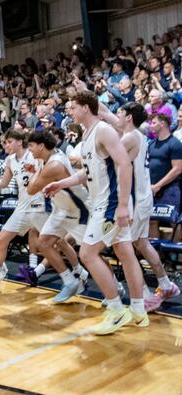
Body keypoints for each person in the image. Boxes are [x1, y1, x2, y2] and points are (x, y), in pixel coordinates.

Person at [44, 90, 149, 335]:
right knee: (125, 252)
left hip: (111, 203)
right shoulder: (88, 133)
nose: (70, 110)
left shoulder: (103, 130)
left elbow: (124, 164)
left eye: (73, 106)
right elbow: (87, 173)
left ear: (86, 108)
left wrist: (123, 205)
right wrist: (61, 183)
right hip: (103, 200)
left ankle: (116, 310)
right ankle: (138, 309)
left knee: (88, 253)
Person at [98, 102, 180, 311]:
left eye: (121, 113)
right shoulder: (138, 135)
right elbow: (105, 113)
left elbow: (104, 156)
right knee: (141, 243)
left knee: (123, 247)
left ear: (128, 118)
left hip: (136, 199)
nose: (116, 115)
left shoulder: (131, 137)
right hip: (143, 197)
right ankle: (164, 284)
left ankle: (143, 294)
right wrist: (88, 95)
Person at [0, 128, 56, 291]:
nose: (7, 145)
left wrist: (35, 172)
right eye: (5, 142)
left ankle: (78, 273)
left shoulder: (34, 157)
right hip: (21, 207)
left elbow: (47, 176)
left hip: (38, 206)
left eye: (9, 141)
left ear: (20, 142)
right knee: (1, 239)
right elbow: (3, 184)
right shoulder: (10, 160)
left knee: (56, 242)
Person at [25, 130, 90, 302]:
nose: (29, 149)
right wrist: (38, 170)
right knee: (44, 243)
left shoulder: (53, 164)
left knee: (91, 254)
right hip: (61, 208)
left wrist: (37, 171)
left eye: (31, 145)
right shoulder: (51, 157)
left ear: (41, 146)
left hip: (78, 210)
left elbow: (30, 189)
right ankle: (70, 281)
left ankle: (116, 288)